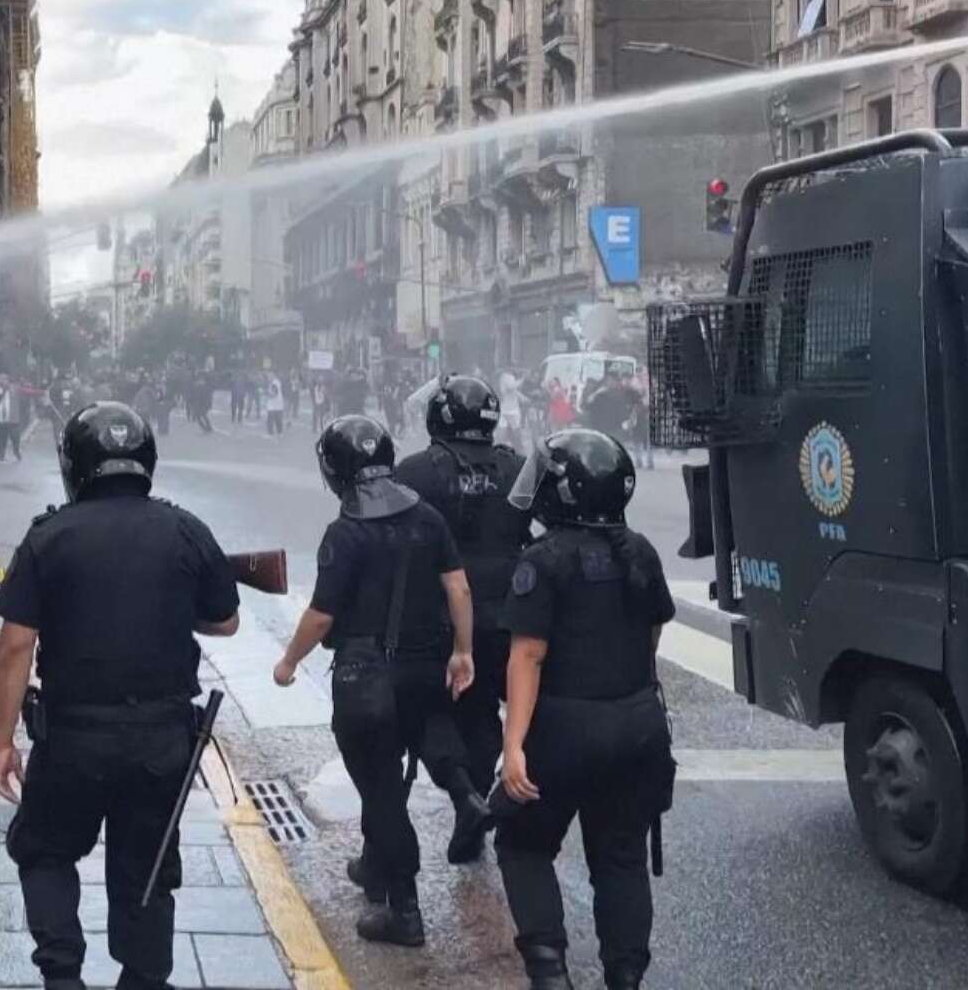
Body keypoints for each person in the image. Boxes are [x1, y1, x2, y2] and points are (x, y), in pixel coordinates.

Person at [0, 401, 240, 990]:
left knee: (45, 850)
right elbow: (225, 621)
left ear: (75, 465)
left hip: (72, 738)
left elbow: (14, 644)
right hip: (162, 741)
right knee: (146, 866)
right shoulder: (185, 529)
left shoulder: (48, 536)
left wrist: (2, 741)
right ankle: (145, 977)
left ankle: (63, 973)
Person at [273, 415, 479, 947]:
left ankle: (404, 909)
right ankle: (443, 809)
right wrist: (462, 651)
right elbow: (458, 589)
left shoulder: (346, 531)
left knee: (382, 789)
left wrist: (289, 662)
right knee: (426, 726)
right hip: (423, 666)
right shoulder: (428, 517)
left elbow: (321, 616)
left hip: (365, 676)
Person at [496, 429, 677, 990]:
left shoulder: (543, 559)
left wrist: (513, 747)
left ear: (564, 493)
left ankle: (550, 973)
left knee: (522, 845)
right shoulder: (640, 550)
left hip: (564, 732)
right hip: (640, 727)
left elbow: (527, 655)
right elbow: (651, 635)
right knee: (620, 858)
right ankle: (624, 978)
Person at [394, 375, 532, 863]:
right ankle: (476, 802)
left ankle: (466, 800)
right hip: (509, 613)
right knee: (483, 715)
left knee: (430, 709)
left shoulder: (413, 472)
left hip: (440, 615)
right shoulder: (519, 469)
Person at [0, 374, 24, 462]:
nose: (2, 381)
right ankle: (1, 455)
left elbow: (28, 391)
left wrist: (42, 392)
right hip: (0, 420)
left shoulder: (15, 388)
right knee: (1, 440)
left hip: (12, 420)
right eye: (0, 379)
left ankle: (16, 451)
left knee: (15, 438)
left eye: (4, 379)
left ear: (8, 380)